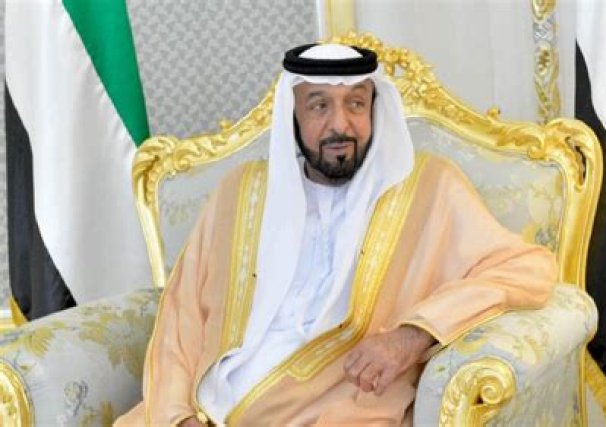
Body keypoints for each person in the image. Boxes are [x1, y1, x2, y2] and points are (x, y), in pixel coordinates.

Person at [116, 43, 557, 426]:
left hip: (337, 407)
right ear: (293, 114)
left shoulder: (428, 188)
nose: (340, 126)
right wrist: (178, 416)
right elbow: (181, 316)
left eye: (356, 104)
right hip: (209, 404)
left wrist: (412, 335)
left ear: (375, 109)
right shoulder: (240, 192)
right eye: (319, 106)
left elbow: (527, 268)